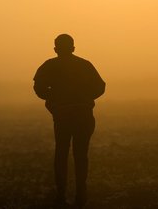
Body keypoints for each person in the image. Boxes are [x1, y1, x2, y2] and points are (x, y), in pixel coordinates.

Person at [33, 34, 106, 208]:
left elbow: (38, 88)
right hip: (83, 115)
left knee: (61, 154)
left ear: (56, 49)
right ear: (73, 48)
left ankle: (61, 195)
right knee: (81, 155)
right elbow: (100, 87)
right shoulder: (85, 65)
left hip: (62, 116)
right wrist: (84, 98)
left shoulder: (49, 66)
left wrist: (54, 100)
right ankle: (81, 194)